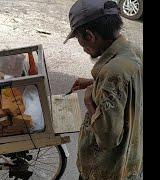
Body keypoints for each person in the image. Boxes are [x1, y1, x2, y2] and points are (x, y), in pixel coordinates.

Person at [64, 0, 143, 179]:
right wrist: (95, 82)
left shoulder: (111, 73)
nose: (83, 47)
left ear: (89, 35)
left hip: (107, 171)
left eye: (79, 39)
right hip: (132, 162)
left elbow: (108, 138)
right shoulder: (134, 51)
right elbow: (128, 89)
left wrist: (89, 103)